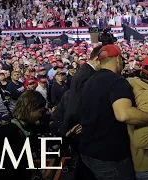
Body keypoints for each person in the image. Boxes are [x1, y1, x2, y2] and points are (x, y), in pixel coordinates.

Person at [79, 45, 148, 180]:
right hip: (109, 157)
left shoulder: (90, 80)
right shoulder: (117, 82)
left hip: (87, 152)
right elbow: (124, 114)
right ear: (118, 59)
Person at [61, 45, 103, 180]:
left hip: (79, 125)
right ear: (97, 59)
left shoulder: (85, 71)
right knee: (86, 165)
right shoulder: (87, 75)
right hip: (80, 127)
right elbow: (83, 104)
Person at [0, 90, 46, 180]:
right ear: (30, 108)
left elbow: (37, 142)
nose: (40, 115)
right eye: (40, 111)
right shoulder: (7, 134)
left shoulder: (25, 128)